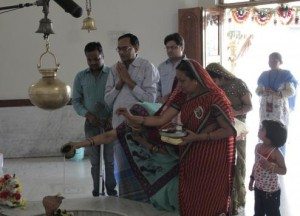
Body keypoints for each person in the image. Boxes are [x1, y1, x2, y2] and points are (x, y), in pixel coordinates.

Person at [66, 59, 236, 215]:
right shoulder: (183, 95)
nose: (179, 85)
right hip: (191, 155)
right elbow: (160, 119)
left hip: (213, 158)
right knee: (191, 199)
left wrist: (197, 138)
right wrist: (133, 119)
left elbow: (229, 130)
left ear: (196, 79)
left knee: (211, 200)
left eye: (183, 81)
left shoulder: (215, 98)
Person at [104, 33, 160, 201]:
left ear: (136, 48)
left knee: (142, 164)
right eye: (119, 49)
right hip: (119, 125)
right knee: (122, 166)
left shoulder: (147, 67)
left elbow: (150, 99)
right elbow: (107, 100)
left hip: (140, 126)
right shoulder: (114, 69)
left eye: (125, 48)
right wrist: (119, 84)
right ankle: (127, 202)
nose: (121, 52)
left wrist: (129, 81)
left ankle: (145, 202)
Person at [206, 62, 252, 214]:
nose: (213, 84)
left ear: (220, 76)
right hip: (222, 128)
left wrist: (233, 112)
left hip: (238, 128)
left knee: (239, 161)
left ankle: (238, 198)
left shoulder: (238, 84)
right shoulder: (214, 88)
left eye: (213, 80)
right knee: (225, 162)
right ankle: (225, 200)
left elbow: (249, 106)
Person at [72, 42, 117, 197]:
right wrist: (87, 114)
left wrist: (112, 117)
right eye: (89, 60)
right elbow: (76, 101)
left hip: (110, 124)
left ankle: (112, 191)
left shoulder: (113, 74)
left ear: (103, 56)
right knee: (95, 162)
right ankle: (97, 191)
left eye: (96, 59)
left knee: (110, 161)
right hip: (91, 125)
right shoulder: (80, 77)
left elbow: (118, 97)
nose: (92, 62)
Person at [249, 120, 287, 216]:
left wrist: (273, 167)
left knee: (273, 213)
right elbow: (255, 165)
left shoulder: (276, 153)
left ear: (270, 136)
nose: (259, 129)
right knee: (258, 212)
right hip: (258, 188)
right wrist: (251, 179)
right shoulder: (258, 147)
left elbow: (284, 170)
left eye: (262, 129)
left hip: (271, 193)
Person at [256, 52, 297, 127]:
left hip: (279, 109)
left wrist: (277, 93)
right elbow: (257, 91)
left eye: (275, 61)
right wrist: (263, 91)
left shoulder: (286, 74)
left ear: (280, 62)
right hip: (265, 108)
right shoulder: (264, 74)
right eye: (270, 61)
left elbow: (292, 91)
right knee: (265, 130)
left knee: (278, 131)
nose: (272, 63)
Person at [157, 33, 186, 103]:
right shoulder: (161, 67)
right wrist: (160, 99)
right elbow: (156, 87)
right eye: (167, 48)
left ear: (181, 48)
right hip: (164, 105)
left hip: (184, 104)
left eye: (173, 47)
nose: (169, 50)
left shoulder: (189, 65)